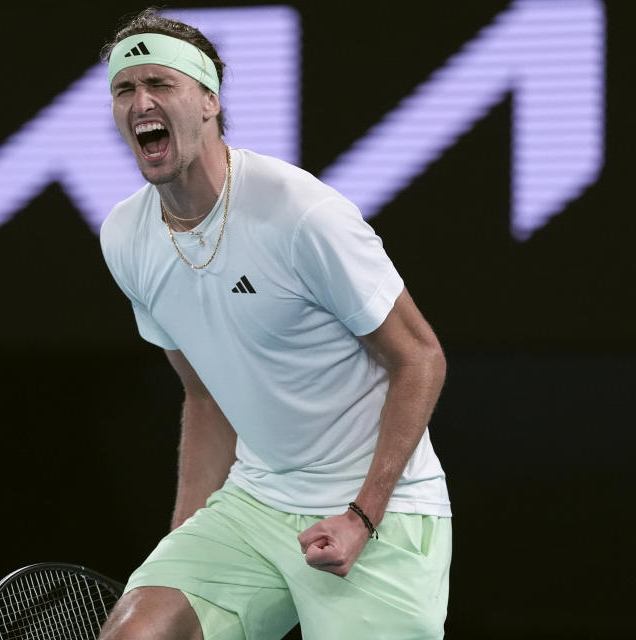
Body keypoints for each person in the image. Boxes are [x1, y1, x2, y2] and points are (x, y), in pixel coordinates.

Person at [97, 9, 451, 640]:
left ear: (208, 101)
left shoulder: (300, 214)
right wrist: (183, 544)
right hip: (254, 503)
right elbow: (205, 395)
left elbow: (420, 357)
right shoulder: (126, 235)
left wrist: (360, 517)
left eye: (161, 84)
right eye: (125, 88)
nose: (140, 101)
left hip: (378, 510)